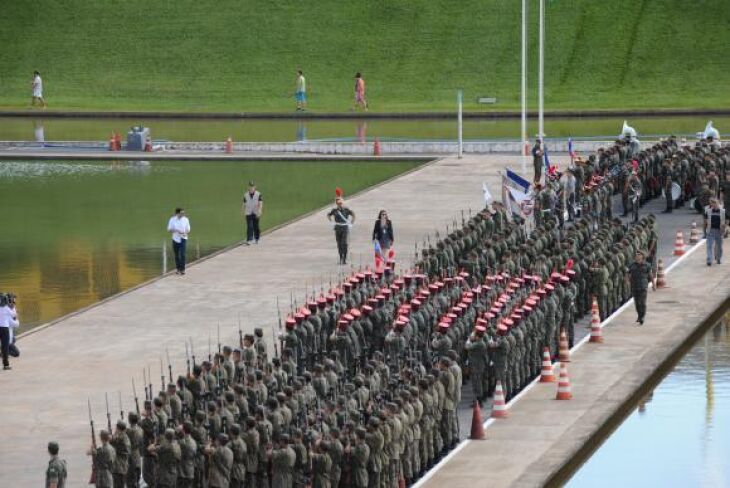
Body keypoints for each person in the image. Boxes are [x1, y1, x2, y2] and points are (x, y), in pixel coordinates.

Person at [626, 251, 652, 325]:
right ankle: (639, 315)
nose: (637, 258)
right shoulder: (632, 265)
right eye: (636, 257)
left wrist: (653, 284)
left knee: (642, 303)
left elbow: (650, 275)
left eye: (639, 257)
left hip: (643, 286)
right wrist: (627, 281)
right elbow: (627, 273)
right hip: (634, 286)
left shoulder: (647, 265)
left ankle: (642, 317)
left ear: (642, 258)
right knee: (637, 303)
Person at [327, 197, 355, 265]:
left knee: (344, 243)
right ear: (336, 204)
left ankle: (344, 259)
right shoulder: (334, 210)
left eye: (340, 203)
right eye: (338, 203)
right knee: (339, 244)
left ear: (342, 202)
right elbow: (328, 215)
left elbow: (353, 215)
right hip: (337, 228)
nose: (339, 204)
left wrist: (351, 223)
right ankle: (340, 258)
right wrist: (331, 222)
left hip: (345, 228)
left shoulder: (346, 209)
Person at [167, 208, 190, 275]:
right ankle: (178, 269)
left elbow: (188, 229)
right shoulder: (172, 219)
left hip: (183, 238)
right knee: (176, 255)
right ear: (177, 213)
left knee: (182, 254)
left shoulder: (186, 219)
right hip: (175, 239)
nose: (183, 214)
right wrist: (177, 230)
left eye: (183, 213)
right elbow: (169, 229)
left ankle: (182, 269)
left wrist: (185, 232)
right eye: (181, 213)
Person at [704, 198, 726, 266]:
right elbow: (705, 221)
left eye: (714, 203)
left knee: (719, 246)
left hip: (719, 231)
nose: (713, 205)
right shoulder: (708, 211)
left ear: (717, 203)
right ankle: (709, 260)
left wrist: (724, 228)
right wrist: (705, 231)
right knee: (709, 246)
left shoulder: (723, 211)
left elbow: (726, 220)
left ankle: (718, 259)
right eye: (712, 204)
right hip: (710, 230)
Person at [0, 293, 19, 370]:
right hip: (4, 329)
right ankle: (6, 365)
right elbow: (14, 315)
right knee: (5, 347)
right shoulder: (6, 308)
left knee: (6, 345)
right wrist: (16, 312)